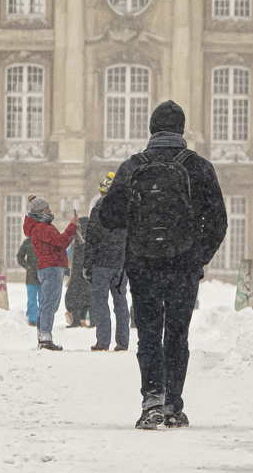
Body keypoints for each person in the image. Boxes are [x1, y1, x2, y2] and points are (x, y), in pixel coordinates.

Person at [97, 100, 227, 430]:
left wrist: (135, 219)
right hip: (183, 265)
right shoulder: (198, 167)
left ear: (152, 129)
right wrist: (199, 257)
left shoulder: (132, 166)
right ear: (181, 130)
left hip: (143, 265)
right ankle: (173, 405)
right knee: (178, 336)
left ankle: (151, 400)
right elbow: (218, 222)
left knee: (150, 335)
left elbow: (107, 216)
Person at [24, 196, 79, 350]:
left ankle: (43, 336)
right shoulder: (42, 228)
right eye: (46, 208)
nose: (49, 210)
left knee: (46, 303)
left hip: (49, 267)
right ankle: (45, 338)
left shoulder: (39, 227)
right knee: (49, 304)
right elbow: (61, 241)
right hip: (52, 267)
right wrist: (72, 226)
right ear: (40, 211)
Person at [85, 171, 130, 352]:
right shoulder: (128, 211)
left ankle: (103, 341)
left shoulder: (98, 211)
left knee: (101, 303)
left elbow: (91, 240)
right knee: (121, 302)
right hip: (121, 265)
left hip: (101, 264)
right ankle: (123, 342)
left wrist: (87, 265)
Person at [65, 218, 94, 328]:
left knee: (75, 298)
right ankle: (93, 321)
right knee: (90, 299)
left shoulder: (78, 240)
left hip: (78, 274)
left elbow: (75, 258)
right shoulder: (92, 239)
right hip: (89, 274)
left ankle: (77, 320)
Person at [16, 234, 40, 326]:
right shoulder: (28, 242)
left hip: (43, 274)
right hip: (31, 276)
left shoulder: (46, 241)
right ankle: (33, 318)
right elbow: (20, 256)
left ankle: (43, 318)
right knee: (32, 299)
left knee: (43, 299)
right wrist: (27, 266)